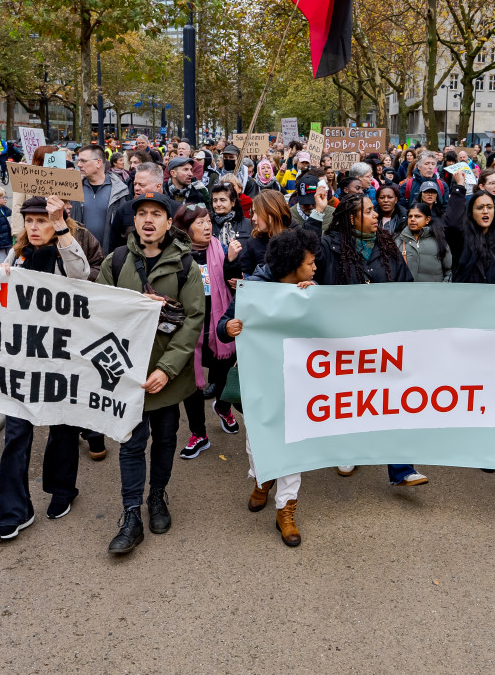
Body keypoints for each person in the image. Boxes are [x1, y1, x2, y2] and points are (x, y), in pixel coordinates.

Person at [98, 191, 205, 555]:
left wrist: (167, 367)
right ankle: (131, 515)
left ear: (167, 222)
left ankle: (157, 497)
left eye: (155, 214)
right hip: (128, 375)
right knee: (131, 444)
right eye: (141, 213)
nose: (148, 219)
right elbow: (98, 312)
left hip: (169, 377)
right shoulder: (117, 261)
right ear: (135, 221)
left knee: (165, 437)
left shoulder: (185, 265)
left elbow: (193, 320)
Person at [311, 191, 427, 486]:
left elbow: (406, 286)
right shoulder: (328, 245)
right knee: (350, 399)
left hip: (382, 341)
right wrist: (318, 213)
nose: (376, 215)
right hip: (343, 343)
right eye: (368, 211)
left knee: (390, 400)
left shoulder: (386, 246)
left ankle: (402, 469)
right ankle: (347, 450)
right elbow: (305, 257)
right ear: (351, 219)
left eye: (375, 211)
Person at [0, 196, 91, 539]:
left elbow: (83, 274)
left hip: (60, 358)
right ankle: (13, 510)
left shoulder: (66, 249)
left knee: (61, 427)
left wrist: (60, 225)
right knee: (16, 433)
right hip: (21, 358)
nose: (35, 228)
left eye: (42, 221)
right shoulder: (17, 255)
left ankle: (62, 489)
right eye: (30, 221)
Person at [217, 228, 320, 547]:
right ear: (292, 265)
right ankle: (263, 480)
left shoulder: (310, 289)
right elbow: (222, 326)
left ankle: (286, 510)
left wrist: (315, 296)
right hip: (260, 380)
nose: (315, 268)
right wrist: (228, 328)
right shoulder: (254, 290)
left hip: (298, 383)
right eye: (310, 264)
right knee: (257, 444)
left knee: (292, 445)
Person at [172, 204, 240, 460]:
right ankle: (198, 433)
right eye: (199, 223)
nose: (207, 226)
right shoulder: (176, 254)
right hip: (190, 325)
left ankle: (223, 407)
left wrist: (232, 264)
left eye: (209, 221)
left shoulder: (221, 248)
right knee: (192, 382)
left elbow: (235, 281)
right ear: (185, 228)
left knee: (223, 372)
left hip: (220, 320)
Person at [444, 171, 495, 285]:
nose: (485, 211)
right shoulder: (462, 239)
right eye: (480, 208)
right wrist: (459, 186)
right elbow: (452, 224)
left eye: (489, 207)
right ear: (471, 212)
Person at [71, 143, 131, 255]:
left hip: (109, 256)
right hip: (80, 256)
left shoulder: (119, 190)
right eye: (78, 161)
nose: (79, 165)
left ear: (98, 163)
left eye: (83, 161)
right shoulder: (73, 188)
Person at [235, 189, 293, 276]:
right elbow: (246, 274)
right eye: (252, 213)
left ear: (272, 212)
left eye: (257, 213)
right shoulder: (253, 242)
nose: (253, 218)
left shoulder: (295, 240)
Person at [109, 162, 164, 251]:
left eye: (142, 185)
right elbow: (114, 246)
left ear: (158, 186)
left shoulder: (175, 209)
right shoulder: (124, 210)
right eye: (135, 184)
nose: (136, 188)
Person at [395, 201, 451, 282]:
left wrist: (442, 290)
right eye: (410, 216)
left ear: (427, 219)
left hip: (434, 292)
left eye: (417, 216)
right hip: (406, 292)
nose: (412, 219)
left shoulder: (439, 241)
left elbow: (448, 271)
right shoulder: (398, 240)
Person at [209, 183, 252, 248]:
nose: (218, 204)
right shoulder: (209, 225)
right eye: (215, 201)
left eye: (222, 200)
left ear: (233, 202)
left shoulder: (248, 224)